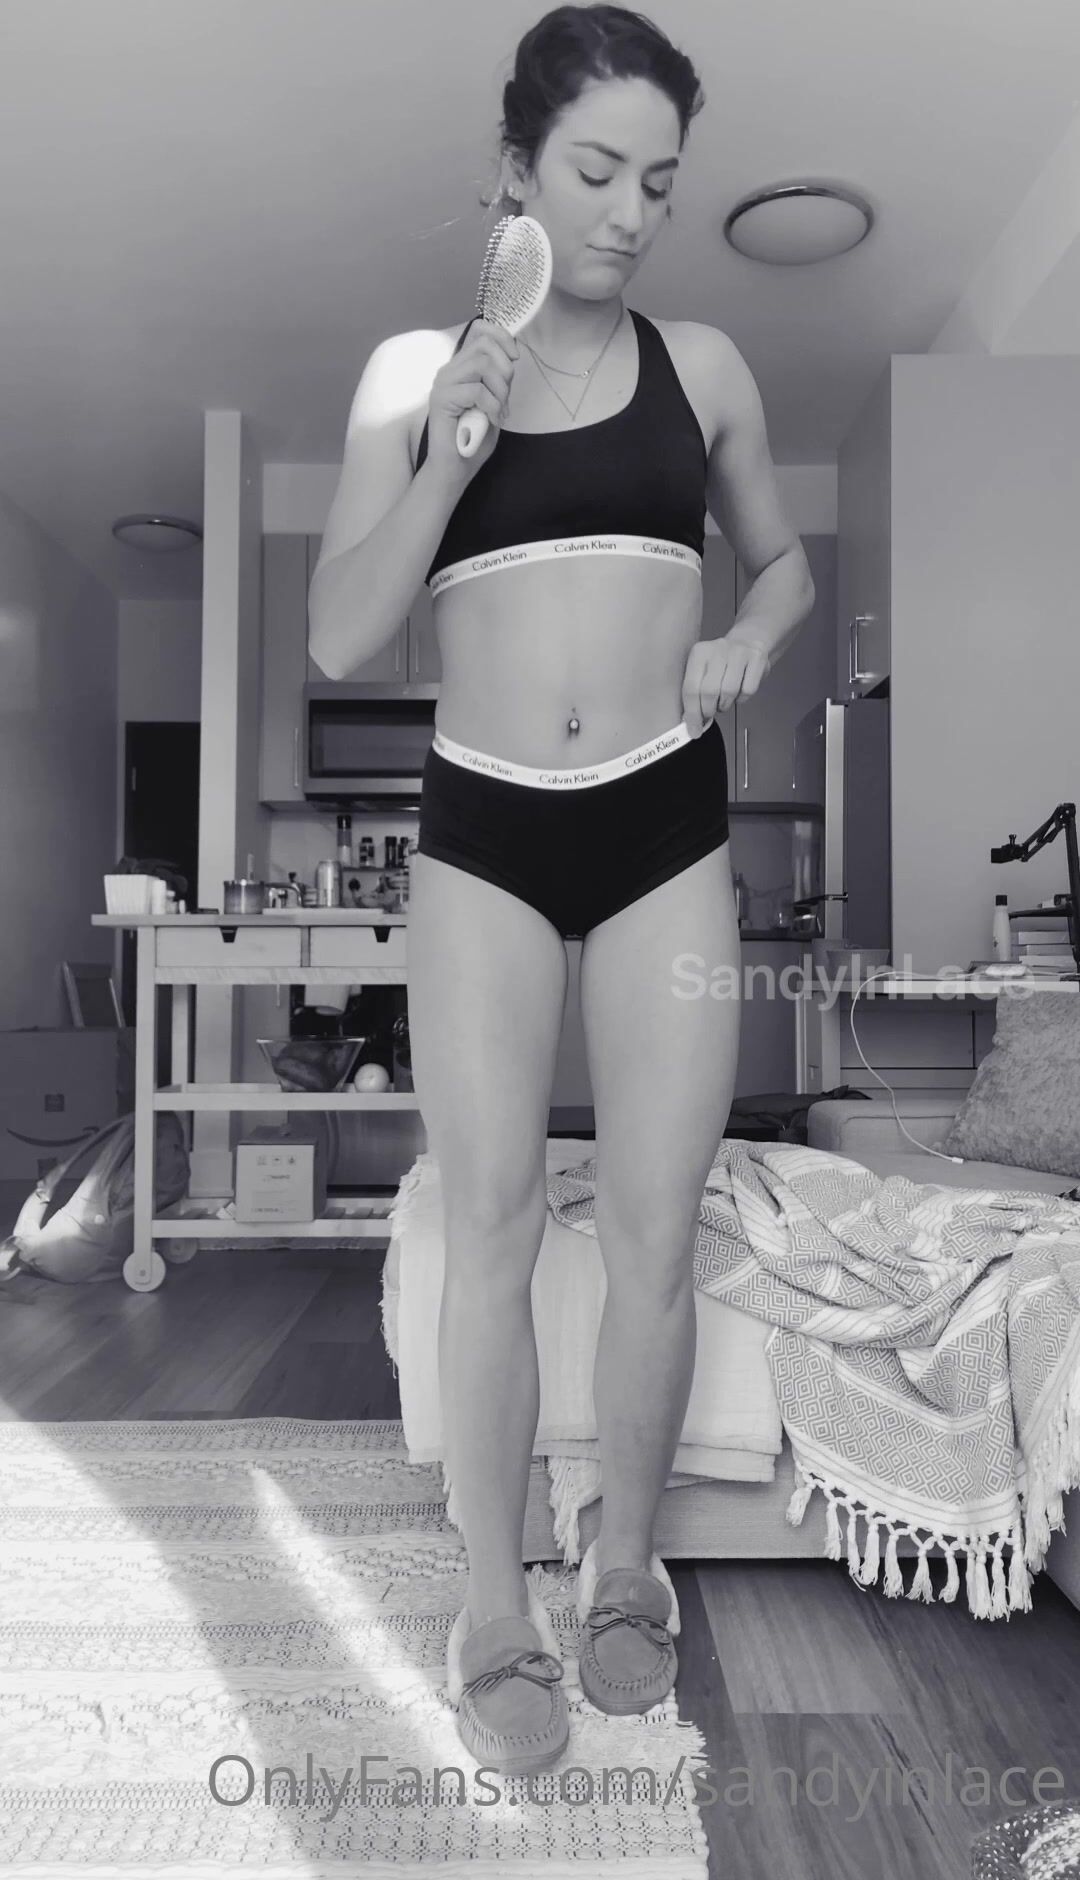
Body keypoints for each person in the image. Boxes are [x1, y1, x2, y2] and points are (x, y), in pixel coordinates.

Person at [309, 2, 814, 1776]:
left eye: (659, 183)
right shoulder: (409, 374)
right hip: (486, 837)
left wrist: (752, 637)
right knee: (497, 1222)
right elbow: (341, 634)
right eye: (596, 171)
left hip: (667, 824)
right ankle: (491, 1604)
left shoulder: (711, 369)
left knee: (661, 1226)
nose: (628, 213)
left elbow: (783, 564)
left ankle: (623, 1571)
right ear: (513, 170)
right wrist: (449, 451)